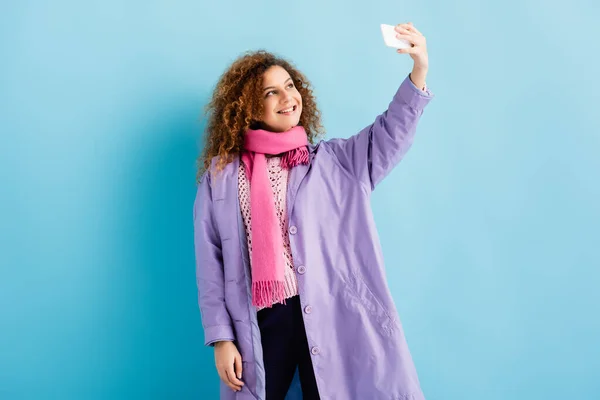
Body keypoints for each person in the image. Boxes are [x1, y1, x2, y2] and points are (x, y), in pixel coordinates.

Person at [194, 22, 434, 400]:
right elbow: (211, 263)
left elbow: (391, 132)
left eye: (289, 85)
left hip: (329, 310)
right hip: (260, 320)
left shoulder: (337, 162)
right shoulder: (222, 177)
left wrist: (418, 70)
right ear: (248, 108)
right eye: (270, 92)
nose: (286, 97)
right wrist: (221, 338)